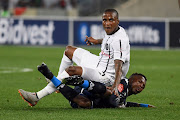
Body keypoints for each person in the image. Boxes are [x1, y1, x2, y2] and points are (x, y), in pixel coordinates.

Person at [18, 8, 130, 106]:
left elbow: (119, 65)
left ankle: (36, 97)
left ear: (117, 21)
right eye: (105, 20)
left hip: (106, 76)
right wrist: (97, 41)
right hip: (99, 62)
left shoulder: (119, 40)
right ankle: (57, 82)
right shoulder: (115, 30)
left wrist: (115, 86)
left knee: (72, 70)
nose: (107, 23)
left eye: (111, 20)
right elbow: (109, 41)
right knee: (69, 50)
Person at [19, 63, 154, 108]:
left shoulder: (124, 95)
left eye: (143, 86)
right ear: (131, 78)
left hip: (83, 98)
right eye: (140, 81)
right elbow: (114, 100)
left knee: (85, 104)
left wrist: (143, 105)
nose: (141, 85)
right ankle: (79, 81)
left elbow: (125, 103)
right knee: (107, 91)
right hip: (93, 89)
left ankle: (52, 78)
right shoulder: (122, 83)